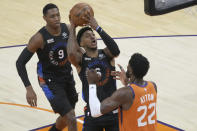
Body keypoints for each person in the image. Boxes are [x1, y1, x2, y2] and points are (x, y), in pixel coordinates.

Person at [16, 3, 78, 131]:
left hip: (67, 75)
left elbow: (75, 50)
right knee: (71, 117)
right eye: (52, 16)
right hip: (49, 81)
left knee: (67, 114)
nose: (56, 18)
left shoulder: (67, 29)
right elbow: (20, 63)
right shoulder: (38, 38)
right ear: (44, 18)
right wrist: (29, 88)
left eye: (58, 15)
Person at [67, 14, 120, 130]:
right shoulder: (81, 60)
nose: (92, 37)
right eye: (87, 36)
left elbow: (116, 51)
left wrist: (98, 28)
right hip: (93, 114)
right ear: (81, 44)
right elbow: (71, 54)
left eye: (93, 35)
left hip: (113, 113)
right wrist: (72, 27)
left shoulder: (106, 54)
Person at [87, 53, 157, 131]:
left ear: (130, 70)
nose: (127, 66)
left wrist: (92, 84)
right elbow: (137, 98)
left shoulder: (124, 93)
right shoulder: (153, 86)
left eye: (128, 66)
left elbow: (95, 112)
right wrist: (128, 84)